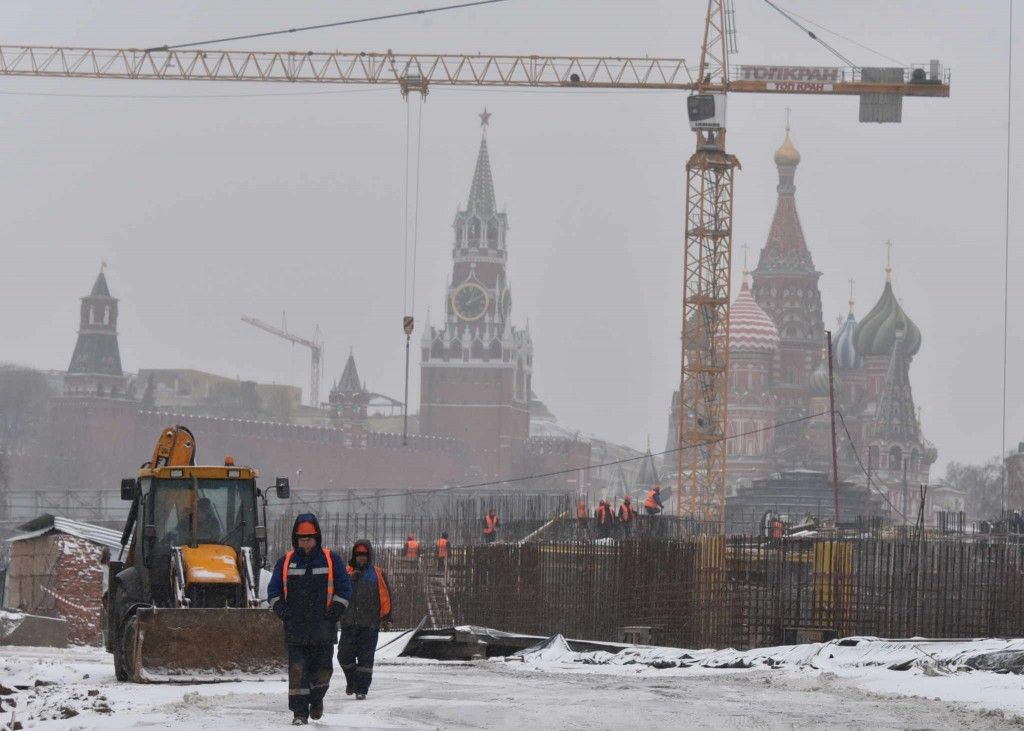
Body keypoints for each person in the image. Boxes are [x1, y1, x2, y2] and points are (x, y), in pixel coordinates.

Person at [267, 514, 352, 726]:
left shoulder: (331, 560)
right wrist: (280, 608)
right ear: (296, 539)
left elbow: (344, 589)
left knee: (322, 673)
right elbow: (273, 590)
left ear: (317, 538)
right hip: (295, 630)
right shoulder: (286, 562)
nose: (305, 542)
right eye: (302, 539)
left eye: (309, 538)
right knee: (297, 674)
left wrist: (336, 609)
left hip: (323, 629)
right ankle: (299, 713)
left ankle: (316, 700)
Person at [338, 540, 393, 701]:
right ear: (354, 556)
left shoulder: (377, 574)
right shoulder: (345, 572)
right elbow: (337, 591)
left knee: (366, 659)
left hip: (370, 624)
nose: (361, 558)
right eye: (358, 555)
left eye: (364, 555)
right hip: (349, 623)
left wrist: (386, 617)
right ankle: (352, 681)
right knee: (343, 656)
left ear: (369, 556)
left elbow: (385, 597)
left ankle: (362, 689)